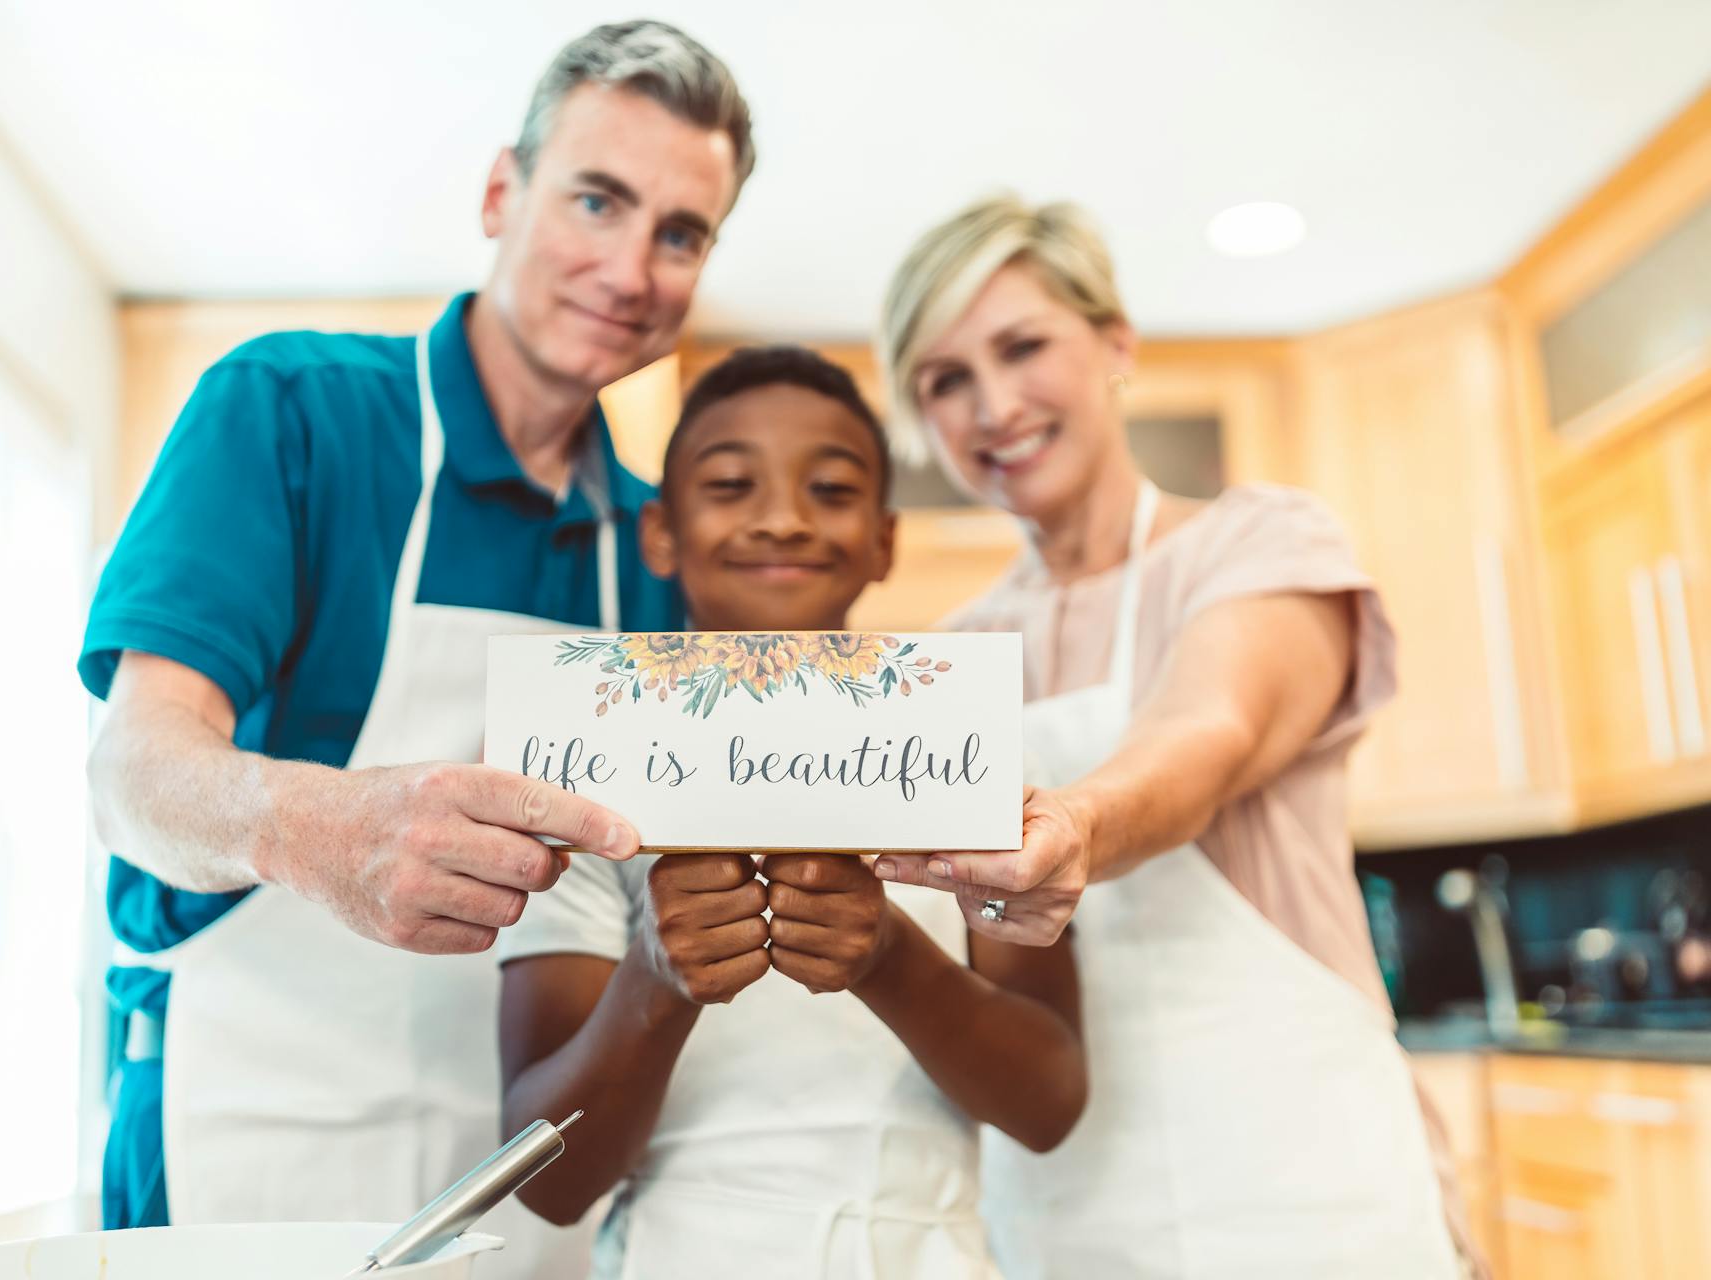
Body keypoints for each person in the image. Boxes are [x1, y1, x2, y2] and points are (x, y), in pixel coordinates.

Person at [76, 21, 754, 1274]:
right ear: (503, 192)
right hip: (250, 1134)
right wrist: (315, 828)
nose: (628, 266)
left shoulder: (657, 549)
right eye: (595, 199)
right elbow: (133, 772)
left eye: (680, 233)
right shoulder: (292, 411)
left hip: (527, 1177)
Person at [871, 197, 1474, 1278]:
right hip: (1065, 1208)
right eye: (945, 378)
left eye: (1022, 346)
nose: (993, 404)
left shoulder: (1260, 540)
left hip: (1306, 1186)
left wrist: (1075, 825)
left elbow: (1208, 730)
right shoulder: (951, 655)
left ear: (1115, 343)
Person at [495, 346, 1087, 1280]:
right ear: (660, 533)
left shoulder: (974, 749)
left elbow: (1049, 1102)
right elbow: (546, 1181)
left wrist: (891, 958)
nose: (782, 518)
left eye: (833, 489)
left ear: (886, 538)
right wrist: (652, 976)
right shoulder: (585, 765)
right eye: (731, 484)